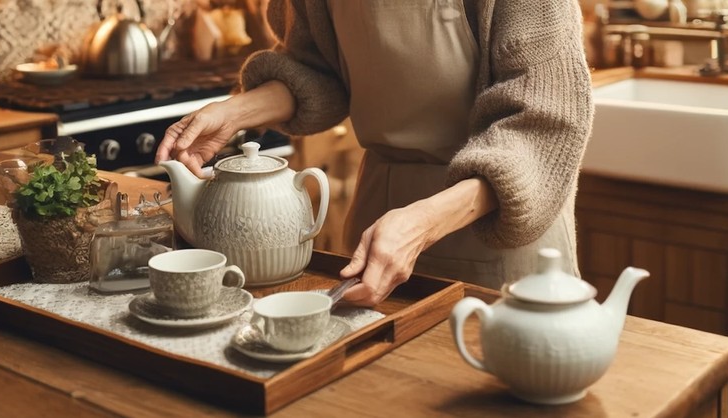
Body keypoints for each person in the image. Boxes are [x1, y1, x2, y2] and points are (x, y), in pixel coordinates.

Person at [156, 0, 594, 307]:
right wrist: (234, 113)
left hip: (498, 227)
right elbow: (318, 70)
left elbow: (545, 123)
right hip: (378, 219)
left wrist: (423, 224)